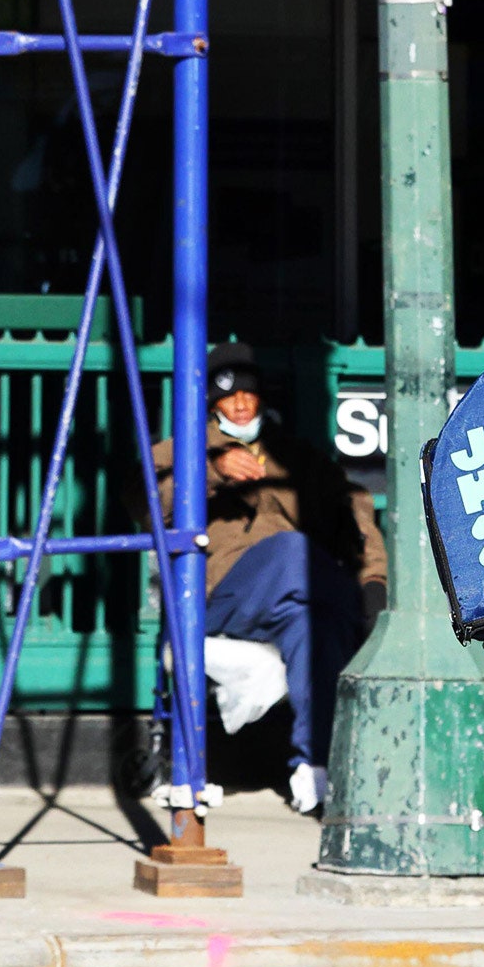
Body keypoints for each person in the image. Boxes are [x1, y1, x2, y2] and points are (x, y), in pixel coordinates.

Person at [144, 348, 385, 814]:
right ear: (212, 403)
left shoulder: (295, 456)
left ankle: (312, 767)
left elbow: (352, 508)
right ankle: (363, 615)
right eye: (228, 396)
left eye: (247, 395)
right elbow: (148, 497)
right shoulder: (182, 449)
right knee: (296, 555)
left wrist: (374, 577)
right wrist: (212, 470)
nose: (239, 405)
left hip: (293, 594)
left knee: (314, 622)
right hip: (219, 597)